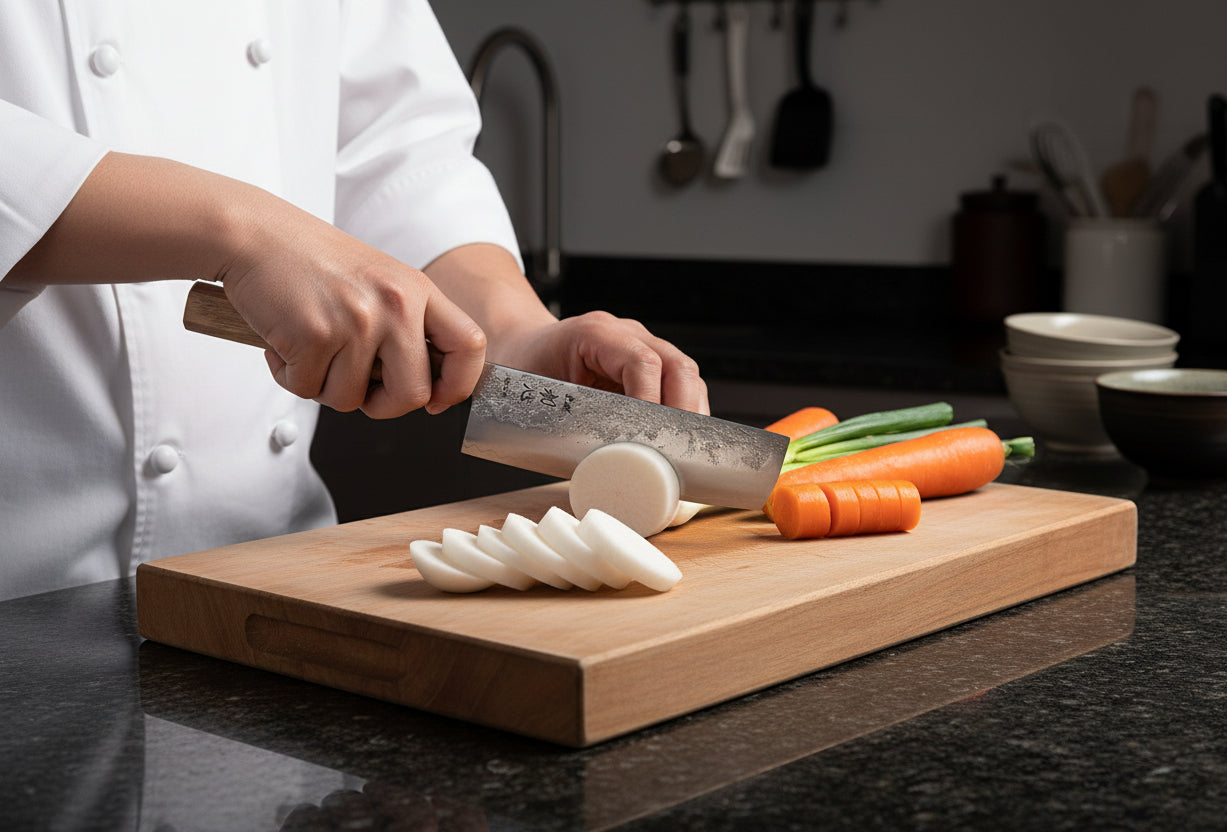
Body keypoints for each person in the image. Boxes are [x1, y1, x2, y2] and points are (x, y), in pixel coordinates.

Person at [0, 2, 708, 601]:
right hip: (22, 596)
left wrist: (515, 337)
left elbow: (400, 153)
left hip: (267, 584)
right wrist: (242, 233)